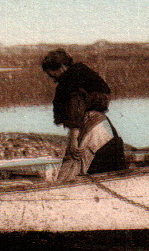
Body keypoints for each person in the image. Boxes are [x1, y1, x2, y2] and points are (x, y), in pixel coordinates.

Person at [40, 49, 126, 180]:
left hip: (92, 131)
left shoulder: (70, 82)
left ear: (62, 67)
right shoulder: (83, 74)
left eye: (51, 73)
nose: (50, 77)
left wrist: (73, 138)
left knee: (74, 165)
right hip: (104, 128)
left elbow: (76, 108)